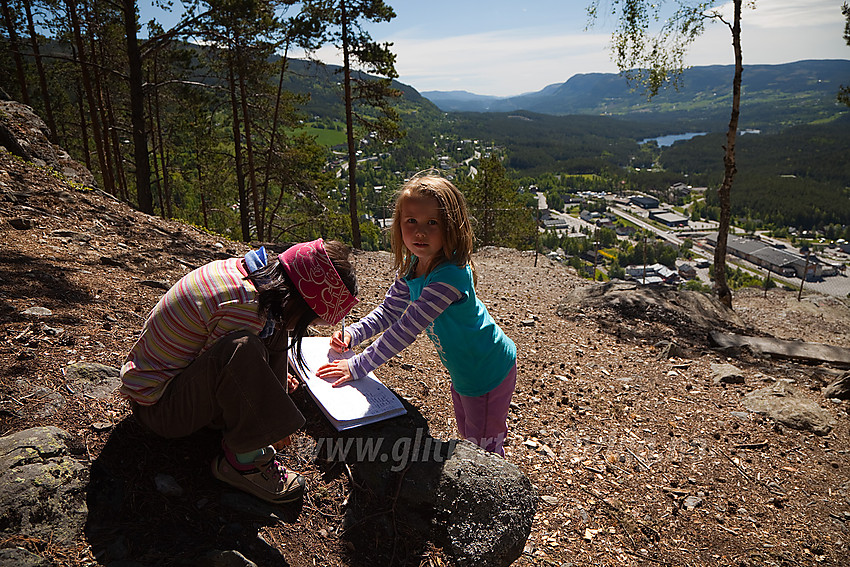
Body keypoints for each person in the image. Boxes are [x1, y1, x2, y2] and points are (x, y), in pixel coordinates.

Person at [120, 238, 358, 503]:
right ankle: (245, 462)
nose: (305, 326)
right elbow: (230, 366)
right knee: (243, 348)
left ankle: (266, 421)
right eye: (310, 318)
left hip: (173, 385)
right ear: (303, 303)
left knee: (276, 325)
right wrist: (263, 417)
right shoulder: (245, 308)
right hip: (160, 409)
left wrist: (270, 398)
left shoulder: (254, 279)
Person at [316, 174, 517, 456]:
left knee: (484, 444)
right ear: (399, 224)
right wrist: (354, 334)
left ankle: (493, 490)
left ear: (452, 226)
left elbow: (405, 329)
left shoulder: (448, 277)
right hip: (465, 369)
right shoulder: (414, 263)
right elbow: (390, 311)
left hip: (485, 371)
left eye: (432, 223)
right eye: (411, 221)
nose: (419, 232)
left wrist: (357, 366)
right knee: (471, 432)